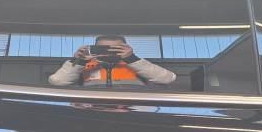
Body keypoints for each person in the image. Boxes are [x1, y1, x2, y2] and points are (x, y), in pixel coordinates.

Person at [48, 35, 176, 87]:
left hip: (133, 114)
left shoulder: (137, 64)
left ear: (125, 48)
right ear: (94, 48)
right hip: (91, 114)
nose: (108, 51)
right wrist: (79, 61)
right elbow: (57, 82)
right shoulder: (82, 65)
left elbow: (168, 79)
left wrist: (131, 59)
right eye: (102, 48)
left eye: (115, 48)